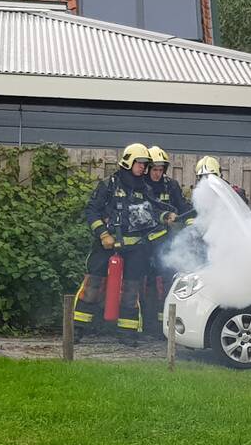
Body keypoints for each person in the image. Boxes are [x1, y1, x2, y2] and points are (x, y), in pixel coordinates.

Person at [72, 142, 161, 346]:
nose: (143, 168)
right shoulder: (109, 184)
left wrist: (166, 216)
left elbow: (154, 212)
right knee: (93, 285)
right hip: (106, 246)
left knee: (131, 290)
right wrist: (103, 234)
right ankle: (77, 328)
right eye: (140, 164)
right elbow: (91, 211)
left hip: (135, 249)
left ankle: (127, 333)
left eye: (145, 165)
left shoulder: (145, 188)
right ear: (129, 162)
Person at [142, 145, 192, 337]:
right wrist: (164, 216)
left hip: (168, 244)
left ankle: (166, 325)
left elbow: (182, 206)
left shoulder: (171, 185)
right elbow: (143, 211)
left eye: (161, 169)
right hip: (145, 244)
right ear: (147, 169)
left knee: (168, 280)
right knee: (147, 284)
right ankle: (148, 323)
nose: (157, 173)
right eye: (154, 169)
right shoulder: (141, 187)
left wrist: (191, 223)